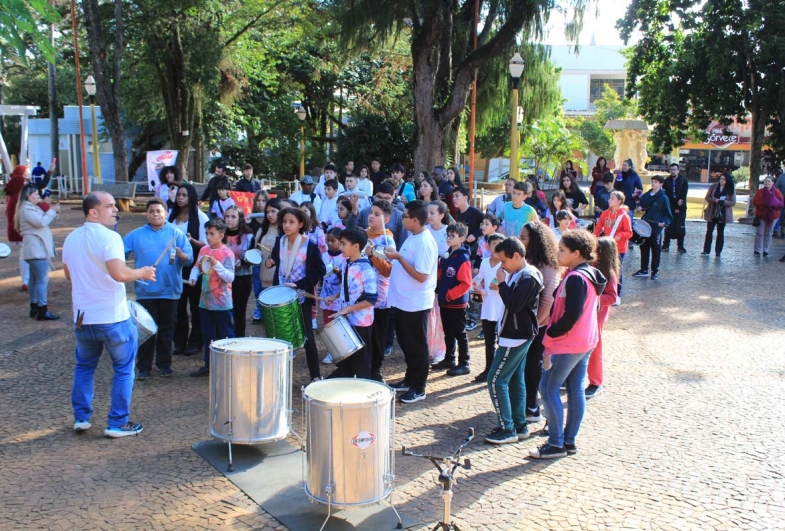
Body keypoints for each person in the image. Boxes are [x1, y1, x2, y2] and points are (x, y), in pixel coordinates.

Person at [63, 191, 156, 437]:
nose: (116, 209)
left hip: (83, 317)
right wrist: (142, 272)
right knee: (124, 369)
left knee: (84, 367)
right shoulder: (111, 237)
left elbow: (69, 274)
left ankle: (81, 417)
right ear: (93, 211)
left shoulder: (72, 238)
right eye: (110, 206)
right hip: (112, 317)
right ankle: (117, 422)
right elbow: (119, 274)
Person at [530, 230, 606, 459]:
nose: (558, 253)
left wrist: (552, 331)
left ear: (576, 253)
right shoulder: (589, 274)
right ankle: (568, 441)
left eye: (562, 250)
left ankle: (556, 444)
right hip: (585, 341)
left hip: (569, 343)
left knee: (548, 387)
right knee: (574, 389)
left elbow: (572, 313)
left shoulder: (575, 278)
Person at [123, 198, 193, 379]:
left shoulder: (177, 234)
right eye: (151, 211)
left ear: (165, 213)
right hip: (145, 291)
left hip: (170, 291)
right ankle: (143, 367)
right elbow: (119, 252)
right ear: (147, 214)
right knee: (145, 330)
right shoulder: (136, 234)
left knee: (166, 329)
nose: (155, 214)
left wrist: (182, 255)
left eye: (158, 211)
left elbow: (190, 260)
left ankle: (164, 364)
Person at [483, 237, 543, 445]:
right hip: (514, 334)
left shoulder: (529, 277)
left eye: (504, 261)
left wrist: (501, 283)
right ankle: (519, 425)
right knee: (516, 379)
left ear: (517, 256)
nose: (502, 266)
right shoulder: (519, 273)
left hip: (516, 337)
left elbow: (514, 304)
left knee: (495, 380)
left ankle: (507, 428)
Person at [385, 200, 439, 404]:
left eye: (405, 216)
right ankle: (410, 379)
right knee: (407, 343)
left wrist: (398, 257)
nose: (402, 218)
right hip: (402, 301)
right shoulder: (413, 236)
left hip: (415, 303)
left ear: (415, 220)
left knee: (416, 345)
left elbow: (422, 276)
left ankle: (419, 387)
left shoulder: (425, 241)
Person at [266, 208, 326, 382]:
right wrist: (269, 262)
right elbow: (277, 260)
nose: (286, 225)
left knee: (307, 335)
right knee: (280, 334)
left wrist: (299, 284)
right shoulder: (281, 241)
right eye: (284, 221)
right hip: (281, 295)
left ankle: (315, 375)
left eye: (291, 222)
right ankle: (279, 374)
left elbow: (319, 270)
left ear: (301, 224)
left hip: (301, 295)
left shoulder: (310, 245)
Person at [519, 221, 562, 423]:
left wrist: (533, 324)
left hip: (537, 327)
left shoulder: (548, 267)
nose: (520, 241)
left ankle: (531, 406)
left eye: (524, 238)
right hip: (527, 325)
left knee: (532, 365)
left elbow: (548, 299)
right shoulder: (529, 261)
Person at [323, 228, 377, 379]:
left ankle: (363, 388)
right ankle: (343, 379)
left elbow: (370, 299)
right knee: (346, 358)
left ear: (356, 246)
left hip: (361, 322)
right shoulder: (348, 263)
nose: (340, 247)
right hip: (348, 318)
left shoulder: (366, 269)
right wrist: (334, 296)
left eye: (343, 244)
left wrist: (347, 309)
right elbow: (348, 288)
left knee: (362, 362)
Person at [189, 218, 236, 377]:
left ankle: (231, 365)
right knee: (208, 335)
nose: (208, 237)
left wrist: (216, 264)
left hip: (222, 303)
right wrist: (193, 277)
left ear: (221, 235)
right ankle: (208, 365)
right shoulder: (204, 250)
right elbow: (197, 266)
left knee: (226, 335)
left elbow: (230, 277)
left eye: (212, 233)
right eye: (207, 233)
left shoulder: (227, 253)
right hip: (206, 301)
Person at [170, 184, 209, 355]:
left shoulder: (200, 218)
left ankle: (195, 341)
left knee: (195, 306)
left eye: (184, 195)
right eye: (179, 195)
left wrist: (190, 240)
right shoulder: (172, 216)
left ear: (191, 197)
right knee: (178, 306)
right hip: (173, 267)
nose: (180, 198)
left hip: (193, 266)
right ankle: (179, 341)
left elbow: (206, 245)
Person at [431, 223, 473, 377]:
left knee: (460, 333)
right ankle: (450, 358)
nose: (448, 238)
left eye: (452, 236)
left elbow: (465, 283)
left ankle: (464, 363)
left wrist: (449, 295)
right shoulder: (448, 255)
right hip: (445, 302)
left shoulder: (462, 258)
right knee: (448, 332)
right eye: (447, 235)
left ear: (462, 238)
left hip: (456, 303)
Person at [6, 161, 55, 290]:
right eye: (25, 173)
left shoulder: (16, 192)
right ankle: (29, 280)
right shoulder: (21, 193)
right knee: (29, 254)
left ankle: (28, 280)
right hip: (26, 229)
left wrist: (50, 171)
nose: (28, 175)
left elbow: (41, 185)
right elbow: (36, 218)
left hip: (21, 227)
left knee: (25, 254)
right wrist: (45, 205)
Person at [16, 183, 61, 320]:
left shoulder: (30, 207)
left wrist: (49, 208)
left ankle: (35, 306)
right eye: (35, 194)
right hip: (36, 249)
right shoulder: (26, 209)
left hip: (35, 248)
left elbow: (44, 219)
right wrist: (52, 210)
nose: (38, 197)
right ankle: (42, 309)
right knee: (42, 280)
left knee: (35, 279)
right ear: (28, 196)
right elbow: (41, 222)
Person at [364, 200, 396, 381]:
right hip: (361, 294)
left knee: (377, 335)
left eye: (377, 214)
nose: (371, 216)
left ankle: (375, 369)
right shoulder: (363, 235)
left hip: (380, 297)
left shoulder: (387, 239)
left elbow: (389, 269)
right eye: (371, 212)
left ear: (387, 219)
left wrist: (372, 254)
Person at [586, 236, 620, 399]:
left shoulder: (609, 273)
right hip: (587, 312)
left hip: (597, 315)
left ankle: (596, 381)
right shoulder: (592, 267)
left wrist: (593, 298)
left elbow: (612, 297)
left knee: (595, 349)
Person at [471, 233, 505, 383]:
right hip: (488, 306)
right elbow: (479, 280)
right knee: (489, 341)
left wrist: (495, 285)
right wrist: (477, 286)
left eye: (499, 244)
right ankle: (489, 369)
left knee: (502, 342)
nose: (496, 248)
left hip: (502, 308)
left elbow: (503, 284)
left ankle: (501, 371)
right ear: (488, 246)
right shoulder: (484, 262)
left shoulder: (506, 264)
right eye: (493, 244)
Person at [425, 201, 450, 364]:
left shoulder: (448, 232)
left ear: (442, 215)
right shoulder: (425, 230)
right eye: (428, 212)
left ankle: (441, 350)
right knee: (428, 317)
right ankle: (427, 348)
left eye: (433, 213)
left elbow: (449, 255)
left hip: (441, 281)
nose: (429, 216)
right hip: (425, 280)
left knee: (440, 317)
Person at [633, 175, 672, 280]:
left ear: (660, 184)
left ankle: (654, 271)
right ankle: (644, 269)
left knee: (656, 250)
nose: (653, 183)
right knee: (644, 248)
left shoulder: (664, 198)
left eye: (656, 182)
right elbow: (640, 205)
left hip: (656, 228)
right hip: (645, 227)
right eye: (652, 181)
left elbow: (668, 214)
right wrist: (639, 207)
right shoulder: (646, 195)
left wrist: (663, 222)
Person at [594, 191, 632, 300]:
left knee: (616, 270)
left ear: (619, 201)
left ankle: (617, 294)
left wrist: (620, 235)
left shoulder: (624, 216)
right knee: (604, 268)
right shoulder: (605, 213)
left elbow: (629, 232)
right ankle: (605, 291)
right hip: (607, 246)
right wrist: (594, 238)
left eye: (612, 198)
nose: (609, 200)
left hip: (620, 248)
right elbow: (598, 227)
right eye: (610, 198)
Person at [223, 206, 254, 338]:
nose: (229, 220)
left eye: (233, 216)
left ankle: (239, 338)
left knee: (239, 312)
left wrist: (243, 262)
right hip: (222, 279)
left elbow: (253, 257)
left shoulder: (248, 236)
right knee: (223, 311)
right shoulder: (220, 233)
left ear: (240, 218)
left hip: (242, 278)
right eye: (227, 216)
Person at [319, 228, 345, 363]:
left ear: (341, 242)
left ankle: (340, 349)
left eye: (333, 241)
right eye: (328, 240)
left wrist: (339, 272)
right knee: (327, 325)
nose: (329, 243)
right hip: (325, 297)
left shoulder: (344, 257)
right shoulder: (323, 256)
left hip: (338, 298)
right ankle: (331, 350)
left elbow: (346, 279)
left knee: (338, 324)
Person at [356, 182, 408, 247]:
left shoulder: (399, 216)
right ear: (374, 196)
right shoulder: (365, 212)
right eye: (380, 197)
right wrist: (354, 211)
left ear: (392, 197)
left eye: (387, 198)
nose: (383, 201)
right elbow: (355, 235)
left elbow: (403, 243)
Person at [256, 198, 282, 313]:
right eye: (267, 212)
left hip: (279, 280)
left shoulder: (285, 231)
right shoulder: (262, 230)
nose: (270, 215)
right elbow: (257, 251)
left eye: (273, 211)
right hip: (264, 278)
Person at [702, 173, 736, 257]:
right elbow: (707, 197)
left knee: (720, 232)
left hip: (723, 213)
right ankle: (706, 250)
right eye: (721, 178)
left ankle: (718, 251)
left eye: (724, 179)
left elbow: (733, 202)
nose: (722, 180)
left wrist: (722, 202)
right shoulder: (713, 187)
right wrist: (713, 200)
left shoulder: (730, 189)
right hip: (712, 211)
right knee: (709, 231)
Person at [249, 189, 270, 322]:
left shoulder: (270, 220)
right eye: (259, 200)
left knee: (267, 285)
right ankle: (258, 309)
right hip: (256, 259)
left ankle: (268, 310)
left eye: (264, 201)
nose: (261, 203)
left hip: (268, 258)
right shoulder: (251, 219)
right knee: (257, 285)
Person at [752, 176, 784, 257]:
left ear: (772, 183)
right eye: (765, 181)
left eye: (769, 181)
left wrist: (770, 203)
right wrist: (766, 203)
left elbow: (780, 203)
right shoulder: (760, 192)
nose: (767, 183)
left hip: (773, 216)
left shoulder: (777, 192)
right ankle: (757, 250)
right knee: (760, 233)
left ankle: (766, 250)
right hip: (761, 215)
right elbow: (755, 202)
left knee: (768, 233)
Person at [662, 163, 689, 253]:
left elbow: (683, 194)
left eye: (674, 169)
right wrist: (674, 204)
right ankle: (666, 245)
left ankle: (680, 246)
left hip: (681, 207)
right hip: (670, 207)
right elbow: (666, 194)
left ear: (678, 170)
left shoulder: (683, 181)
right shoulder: (666, 181)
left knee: (680, 226)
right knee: (668, 226)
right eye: (671, 170)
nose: (673, 171)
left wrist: (678, 206)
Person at [453, 186, 484, 251]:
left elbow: (491, 223)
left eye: (457, 196)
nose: (454, 199)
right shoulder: (458, 212)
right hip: (462, 247)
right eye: (453, 196)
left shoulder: (474, 211)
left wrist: (475, 235)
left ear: (465, 198)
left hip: (473, 249)